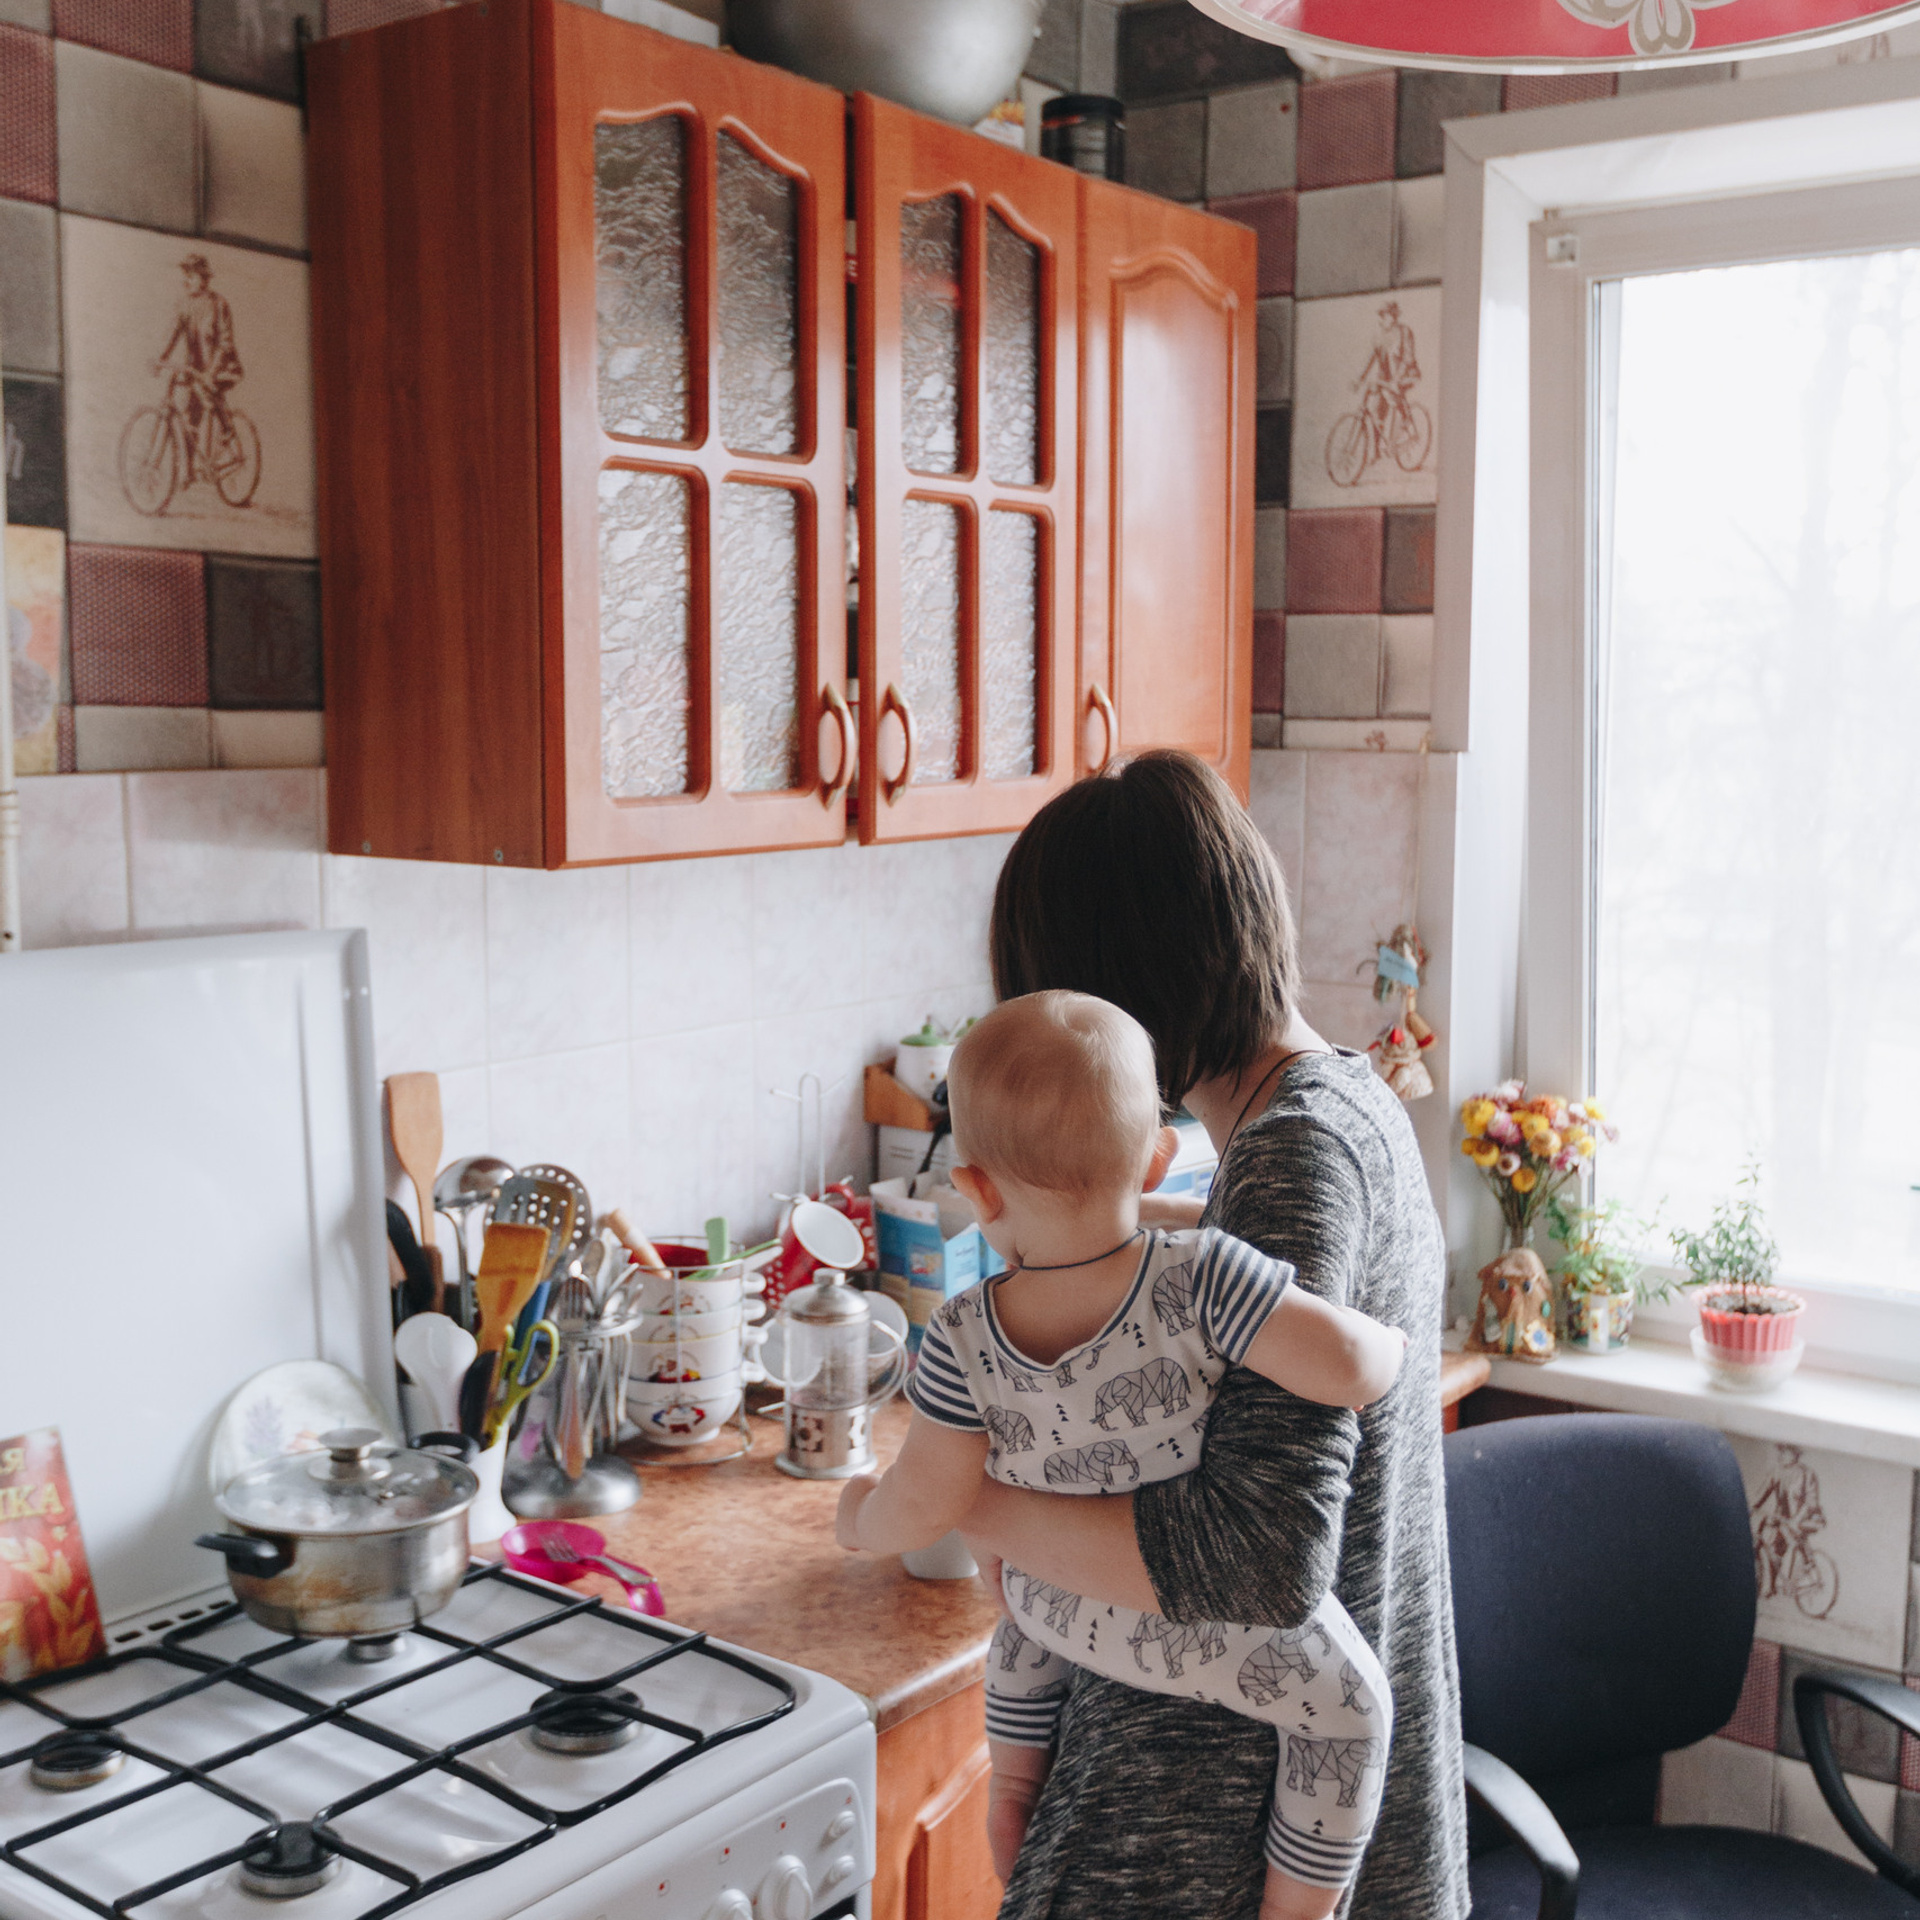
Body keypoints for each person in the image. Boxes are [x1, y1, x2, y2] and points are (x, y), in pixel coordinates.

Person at [958, 750, 1468, 1920]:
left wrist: (971, 1500)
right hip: (1301, 1821)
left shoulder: (1293, 1157)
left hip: (1197, 1836)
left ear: (1115, 1003)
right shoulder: (1350, 1104)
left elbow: (1260, 1557)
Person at [836, 992, 1407, 1920]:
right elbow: (1344, 1366)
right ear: (1157, 1157)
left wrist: (856, 1515)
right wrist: (1393, 1346)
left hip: (1054, 1611)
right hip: (1209, 1633)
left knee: (1011, 1632)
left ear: (975, 1189)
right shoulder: (1206, 1276)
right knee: (1352, 1715)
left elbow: (928, 1499)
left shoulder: (955, 1338)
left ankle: (1014, 1805)